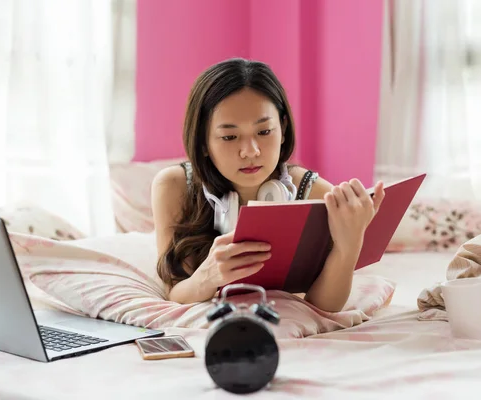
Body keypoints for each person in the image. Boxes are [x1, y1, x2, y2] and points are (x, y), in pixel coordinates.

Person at [152, 58, 385, 313]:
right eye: (230, 137)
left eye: (264, 132)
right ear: (203, 142)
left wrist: (348, 246)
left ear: (283, 129)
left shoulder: (315, 193)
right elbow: (173, 292)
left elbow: (324, 308)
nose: (250, 151)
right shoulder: (174, 187)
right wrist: (208, 277)